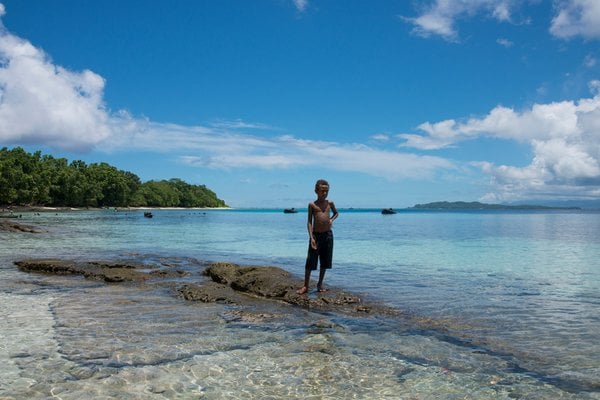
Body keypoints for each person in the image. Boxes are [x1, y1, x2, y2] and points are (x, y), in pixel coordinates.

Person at [297, 179, 339, 294]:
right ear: (316, 191)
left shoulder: (329, 203)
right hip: (316, 236)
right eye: (322, 191)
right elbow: (309, 222)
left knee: (325, 261)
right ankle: (305, 286)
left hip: (328, 235)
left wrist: (331, 220)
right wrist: (311, 237)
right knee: (310, 260)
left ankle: (319, 284)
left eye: (327, 191)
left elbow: (336, 213)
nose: (324, 193)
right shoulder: (312, 205)